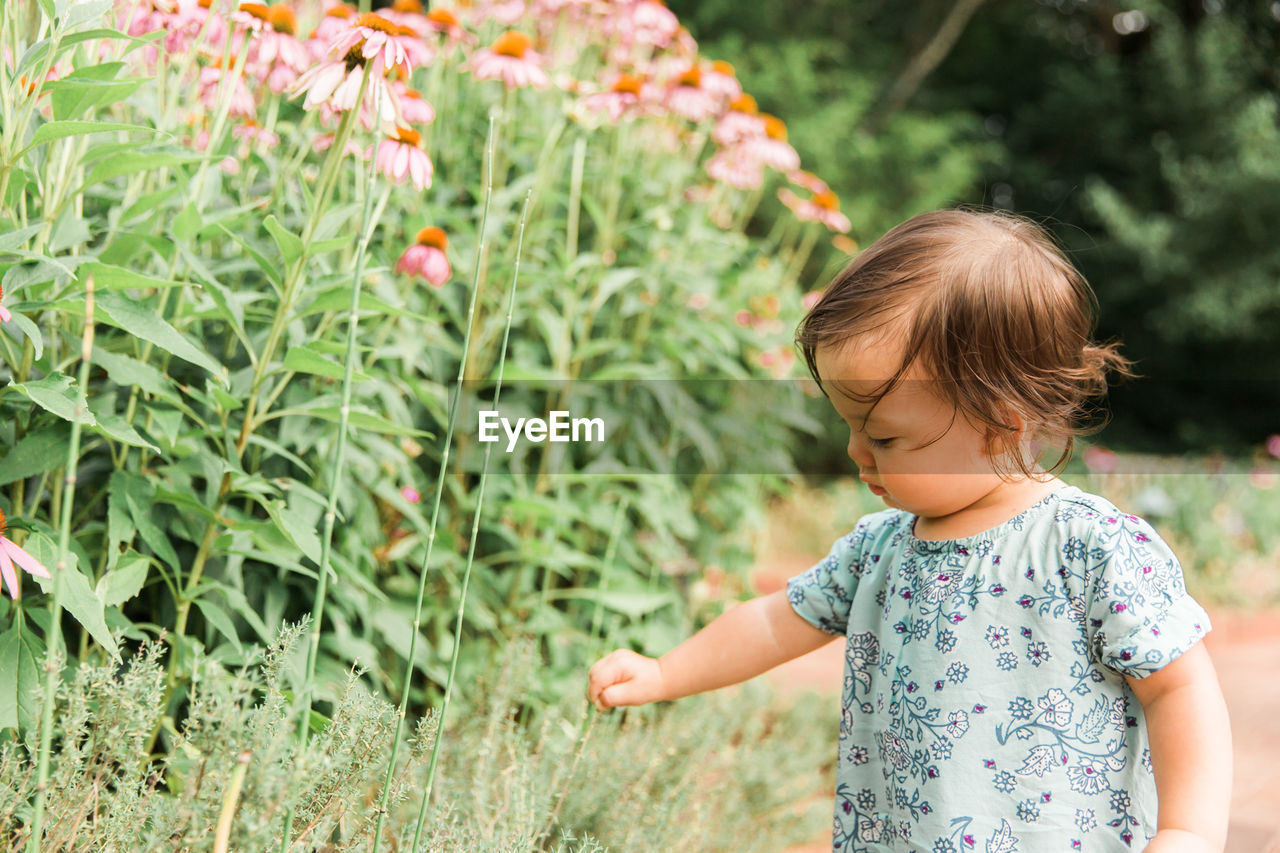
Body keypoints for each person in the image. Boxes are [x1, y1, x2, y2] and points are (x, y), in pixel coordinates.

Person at [586, 209, 1232, 852]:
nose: (855, 453)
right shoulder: (879, 549)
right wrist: (664, 672)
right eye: (851, 426)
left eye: (885, 435)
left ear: (999, 426)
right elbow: (771, 621)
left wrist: (1188, 830)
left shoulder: (1086, 545)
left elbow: (1179, 687)